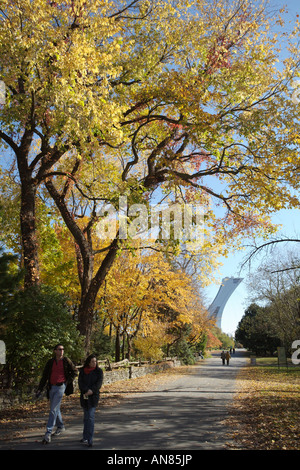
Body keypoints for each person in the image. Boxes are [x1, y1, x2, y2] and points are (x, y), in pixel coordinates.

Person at [36, 343, 77, 444]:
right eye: (59, 349)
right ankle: (61, 426)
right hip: (51, 387)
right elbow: (45, 376)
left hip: (61, 387)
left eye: (63, 349)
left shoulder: (66, 361)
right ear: (55, 351)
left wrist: (67, 382)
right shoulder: (50, 362)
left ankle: (48, 433)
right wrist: (40, 389)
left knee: (53, 409)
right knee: (55, 408)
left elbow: (75, 371)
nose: (61, 351)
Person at [78, 354, 104, 447]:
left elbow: (99, 383)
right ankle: (85, 436)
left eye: (95, 361)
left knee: (90, 417)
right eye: (92, 361)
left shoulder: (98, 371)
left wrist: (91, 390)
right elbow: (80, 382)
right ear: (88, 362)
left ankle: (90, 439)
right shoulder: (83, 371)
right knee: (86, 417)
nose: (94, 363)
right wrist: (85, 390)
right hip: (84, 396)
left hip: (93, 397)